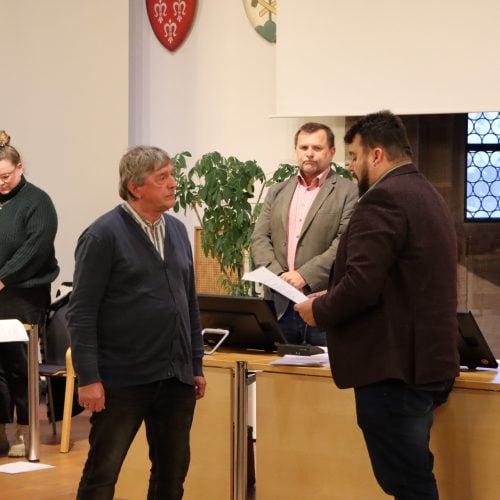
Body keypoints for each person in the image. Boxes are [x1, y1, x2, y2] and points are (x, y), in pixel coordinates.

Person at [295, 111, 460, 500]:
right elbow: (392, 281)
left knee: (407, 483)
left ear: (377, 154)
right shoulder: (427, 193)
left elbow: (361, 284)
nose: (350, 166)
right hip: (426, 362)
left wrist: (319, 310)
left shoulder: (383, 199)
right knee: (411, 477)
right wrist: (332, 294)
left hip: (393, 369)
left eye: (354, 156)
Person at [67, 145, 206, 500]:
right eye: (162, 178)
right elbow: (81, 312)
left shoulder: (177, 231)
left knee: (171, 477)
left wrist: (195, 363)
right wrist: (89, 378)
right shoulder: (103, 235)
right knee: (102, 477)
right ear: (135, 187)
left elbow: (188, 303)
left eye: (172, 175)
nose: (173, 184)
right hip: (123, 379)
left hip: (175, 378)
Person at [251, 122, 358, 346]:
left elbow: (344, 243)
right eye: (304, 147)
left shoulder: (349, 191)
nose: (309, 153)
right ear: (296, 151)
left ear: (332, 152)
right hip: (279, 304)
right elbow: (259, 238)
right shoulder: (277, 191)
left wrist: (304, 275)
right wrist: (279, 276)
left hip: (322, 304)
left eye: (317, 148)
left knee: (323, 368)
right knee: (277, 368)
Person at [0, 130, 59, 457]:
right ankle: (0, 430)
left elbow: (35, 249)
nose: (1, 183)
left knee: (18, 364)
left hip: (24, 296)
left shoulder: (38, 202)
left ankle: (24, 430)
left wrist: (3, 278)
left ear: (20, 168)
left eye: (5, 176)